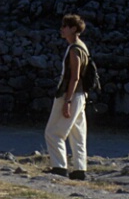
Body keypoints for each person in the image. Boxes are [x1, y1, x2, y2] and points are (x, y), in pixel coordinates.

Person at [44, 13, 90, 181]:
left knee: (53, 132)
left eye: (65, 26)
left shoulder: (74, 49)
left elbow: (75, 77)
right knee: (77, 133)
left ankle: (59, 167)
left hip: (70, 94)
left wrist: (67, 101)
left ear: (73, 29)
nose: (62, 29)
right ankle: (79, 170)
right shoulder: (82, 46)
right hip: (81, 95)